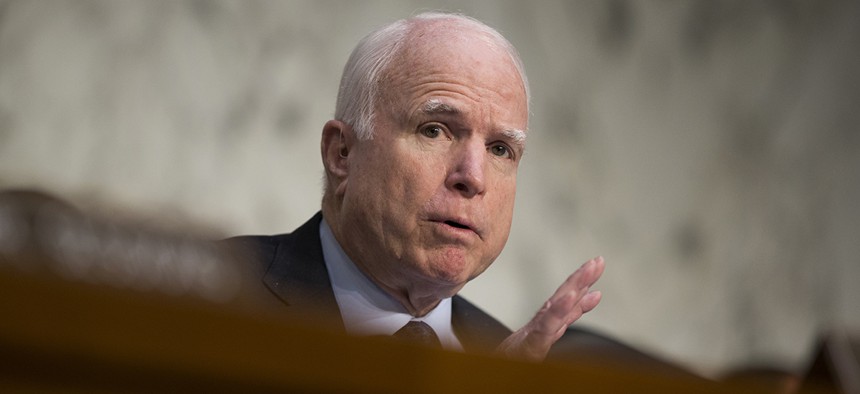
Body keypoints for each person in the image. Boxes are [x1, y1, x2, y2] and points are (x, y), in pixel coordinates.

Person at [229, 11, 604, 362]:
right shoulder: (215, 298)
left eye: (500, 149)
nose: (473, 177)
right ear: (342, 154)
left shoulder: (503, 365)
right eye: (434, 130)